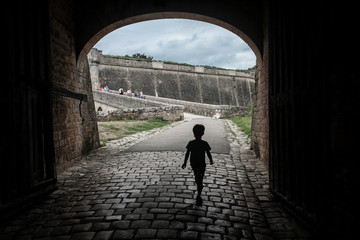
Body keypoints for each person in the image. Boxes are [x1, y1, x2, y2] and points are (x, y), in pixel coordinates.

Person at [182, 124, 213, 205]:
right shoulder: (205, 143)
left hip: (194, 163)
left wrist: (185, 163)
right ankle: (200, 187)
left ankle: (199, 188)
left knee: (197, 176)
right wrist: (211, 160)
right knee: (200, 177)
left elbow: (187, 154)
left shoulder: (191, 143)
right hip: (201, 164)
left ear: (193, 133)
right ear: (203, 133)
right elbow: (208, 153)